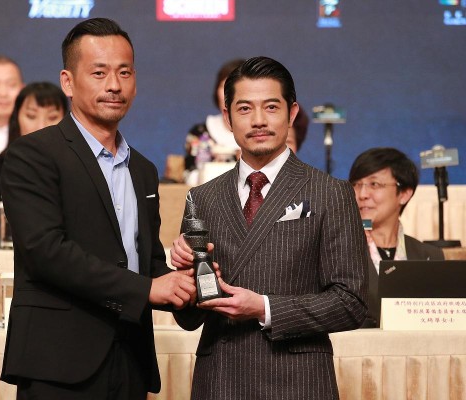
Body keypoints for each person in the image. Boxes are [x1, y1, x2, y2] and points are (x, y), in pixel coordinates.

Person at [0, 18, 195, 399]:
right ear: (68, 82)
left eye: (125, 72)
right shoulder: (33, 155)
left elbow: (147, 262)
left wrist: (190, 284)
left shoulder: (143, 169)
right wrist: (148, 288)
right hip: (58, 364)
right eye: (99, 72)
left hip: (131, 360)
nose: (114, 85)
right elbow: (46, 252)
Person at [170, 56, 368, 400]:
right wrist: (186, 279)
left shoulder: (330, 192)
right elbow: (188, 319)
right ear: (227, 118)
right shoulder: (201, 198)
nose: (258, 120)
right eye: (245, 109)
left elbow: (351, 302)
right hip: (220, 381)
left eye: (271, 107)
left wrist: (265, 308)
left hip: (298, 382)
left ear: (292, 113)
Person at [349, 147, 444, 328]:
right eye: (356, 184)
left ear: (404, 193)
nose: (362, 194)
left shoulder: (429, 256)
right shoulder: (339, 251)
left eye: (374, 184)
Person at [0, 82, 67, 246]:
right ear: (16, 119)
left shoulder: (77, 167)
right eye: (31, 116)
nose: (41, 126)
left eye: (52, 117)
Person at [183, 59, 244, 185]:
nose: (228, 94)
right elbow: (190, 175)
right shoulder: (200, 133)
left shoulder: (260, 133)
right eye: (224, 86)